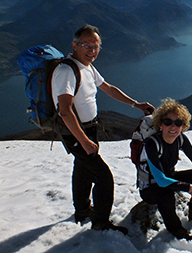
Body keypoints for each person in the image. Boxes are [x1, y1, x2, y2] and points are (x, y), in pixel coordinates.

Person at [52, 24, 154, 234]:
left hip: (88, 129)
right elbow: (65, 111)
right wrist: (84, 141)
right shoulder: (66, 71)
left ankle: (82, 211)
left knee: (82, 169)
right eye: (87, 45)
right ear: (75, 45)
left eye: (96, 47)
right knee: (104, 177)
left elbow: (108, 88)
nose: (92, 51)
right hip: (76, 132)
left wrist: (136, 104)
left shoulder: (86, 67)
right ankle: (100, 222)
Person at [138, 98, 192, 240]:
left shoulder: (180, 139)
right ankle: (175, 228)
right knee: (166, 194)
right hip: (150, 187)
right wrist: (190, 189)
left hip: (170, 178)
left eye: (178, 123)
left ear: (183, 125)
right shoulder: (152, 144)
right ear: (160, 124)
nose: (173, 127)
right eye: (168, 122)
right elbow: (161, 180)